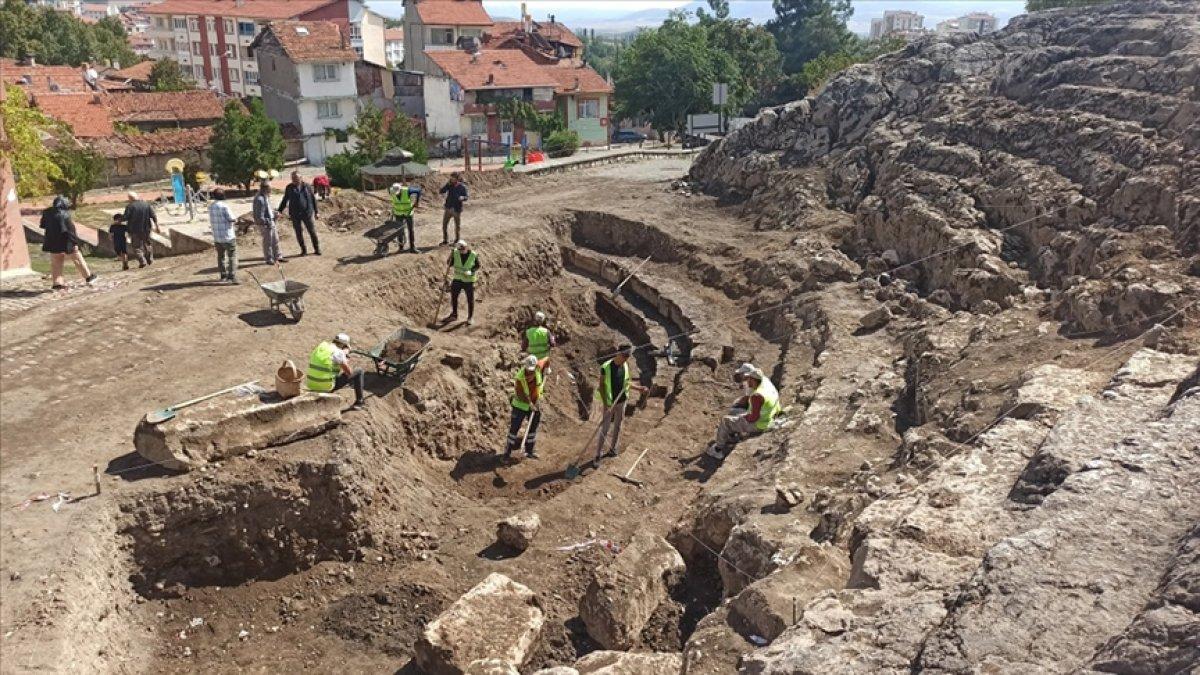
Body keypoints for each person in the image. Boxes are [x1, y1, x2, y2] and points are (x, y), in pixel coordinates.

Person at [705, 364, 779, 460]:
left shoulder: (756, 396)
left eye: (749, 380)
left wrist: (743, 417)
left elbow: (753, 418)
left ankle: (717, 450)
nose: (747, 382)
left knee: (725, 421)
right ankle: (732, 436)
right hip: (770, 415)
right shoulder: (765, 382)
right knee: (734, 413)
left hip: (760, 424)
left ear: (753, 379)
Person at [592, 344, 647, 463]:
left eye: (627, 357)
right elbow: (601, 386)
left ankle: (613, 448)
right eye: (624, 356)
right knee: (605, 428)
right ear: (618, 353)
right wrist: (606, 403)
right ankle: (598, 454)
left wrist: (638, 388)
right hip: (609, 402)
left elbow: (627, 383)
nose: (626, 359)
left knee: (618, 425)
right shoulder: (606, 367)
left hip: (622, 401)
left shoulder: (625, 366)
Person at [39, 196, 98, 290]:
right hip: (66, 241)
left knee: (56, 262)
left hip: (52, 241)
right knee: (77, 258)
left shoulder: (47, 212)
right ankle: (88, 277)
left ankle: (57, 283)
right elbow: (70, 231)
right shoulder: (65, 214)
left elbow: (42, 225)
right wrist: (75, 243)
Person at [504, 354, 547, 460]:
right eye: (528, 371)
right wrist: (530, 404)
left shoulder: (538, 368)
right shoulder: (520, 378)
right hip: (520, 406)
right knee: (514, 429)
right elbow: (521, 394)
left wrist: (548, 368)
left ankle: (529, 450)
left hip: (533, 404)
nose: (530, 373)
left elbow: (546, 359)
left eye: (532, 371)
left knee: (533, 426)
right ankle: (506, 454)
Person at [306, 333, 365, 410]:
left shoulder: (321, 346)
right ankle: (359, 402)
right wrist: (344, 355)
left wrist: (343, 354)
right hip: (325, 387)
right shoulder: (339, 353)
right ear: (344, 345)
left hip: (311, 384)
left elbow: (331, 358)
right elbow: (349, 373)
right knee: (359, 371)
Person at [278, 171, 320, 256]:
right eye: (292, 178)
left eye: (296, 178)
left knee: (312, 231)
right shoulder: (289, 187)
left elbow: (313, 199)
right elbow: (285, 200)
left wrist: (316, 212)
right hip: (295, 214)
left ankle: (317, 249)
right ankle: (303, 250)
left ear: (301, 178)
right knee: (298, 232)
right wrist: (280, 210)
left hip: (307, 213)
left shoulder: (307, 186)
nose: (294, 180)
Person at [443, 239, 479, 325]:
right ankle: (454, 314)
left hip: (468, 280)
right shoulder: (455, 253)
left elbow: (477, 266)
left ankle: (470, 317)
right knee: (454, 296)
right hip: (457, 279)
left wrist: (471, 271)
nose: (461, 251)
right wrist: (450, 257)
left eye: (462, 249)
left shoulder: (473, 255)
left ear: (466, 247)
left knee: (470, 299)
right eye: (460, 250)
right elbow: (449, 264)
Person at [208, 188, 238, 283]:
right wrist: (236, 221)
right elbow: (232, 218)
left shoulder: (211, 206)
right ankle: (231, 276)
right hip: (227, 236)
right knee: (232, 256)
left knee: (220, 257)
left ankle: (223, 275)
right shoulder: (225, 206)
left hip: (217, 236)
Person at [122, 191, 160, 267]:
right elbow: (153, 215)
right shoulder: (146, 205)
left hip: (134, 230)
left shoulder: (130, 206)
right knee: (147, 244)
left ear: (130, 198)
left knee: (136, 247)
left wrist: (119, 220)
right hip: (146, 229)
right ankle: (150, 259)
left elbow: (125, 218)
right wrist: (157, 226)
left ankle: (142, 261)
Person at [252, 181, 285, 264]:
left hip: (271, 221)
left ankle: (278, 256)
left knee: (275, 240)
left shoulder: (266, 197)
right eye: (270, 188)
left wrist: (275, 214)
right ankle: (269, 259)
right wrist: (267, 222)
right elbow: (259, 216)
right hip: (265, 224)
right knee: (268, 242)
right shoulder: (259, 199)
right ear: (265, 188)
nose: (271, 189)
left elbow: (268, 210)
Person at [387, 181, 422, 254]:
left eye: (398, 192)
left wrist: (417, 202)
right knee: (399, 231)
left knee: (410, 230)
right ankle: (401, 248)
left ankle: (412, 248)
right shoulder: (391, 190)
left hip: (408, 213)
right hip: (398, 213)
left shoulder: (407, 190)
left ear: (400, 189)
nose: (396, 194)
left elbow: (418, 191)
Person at [438, 172, 468, 245]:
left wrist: (462, 198)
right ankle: (445, 240)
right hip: (448, 208)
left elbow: (466, 197)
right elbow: (441, 191)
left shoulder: (462, 187)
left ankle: (457, 240)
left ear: (457, 179)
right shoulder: (449, 185)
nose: (451, 179)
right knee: (444, 225)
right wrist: (447, 185)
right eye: (451, 178)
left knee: (457, 226)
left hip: (457, 209)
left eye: (453, 178)